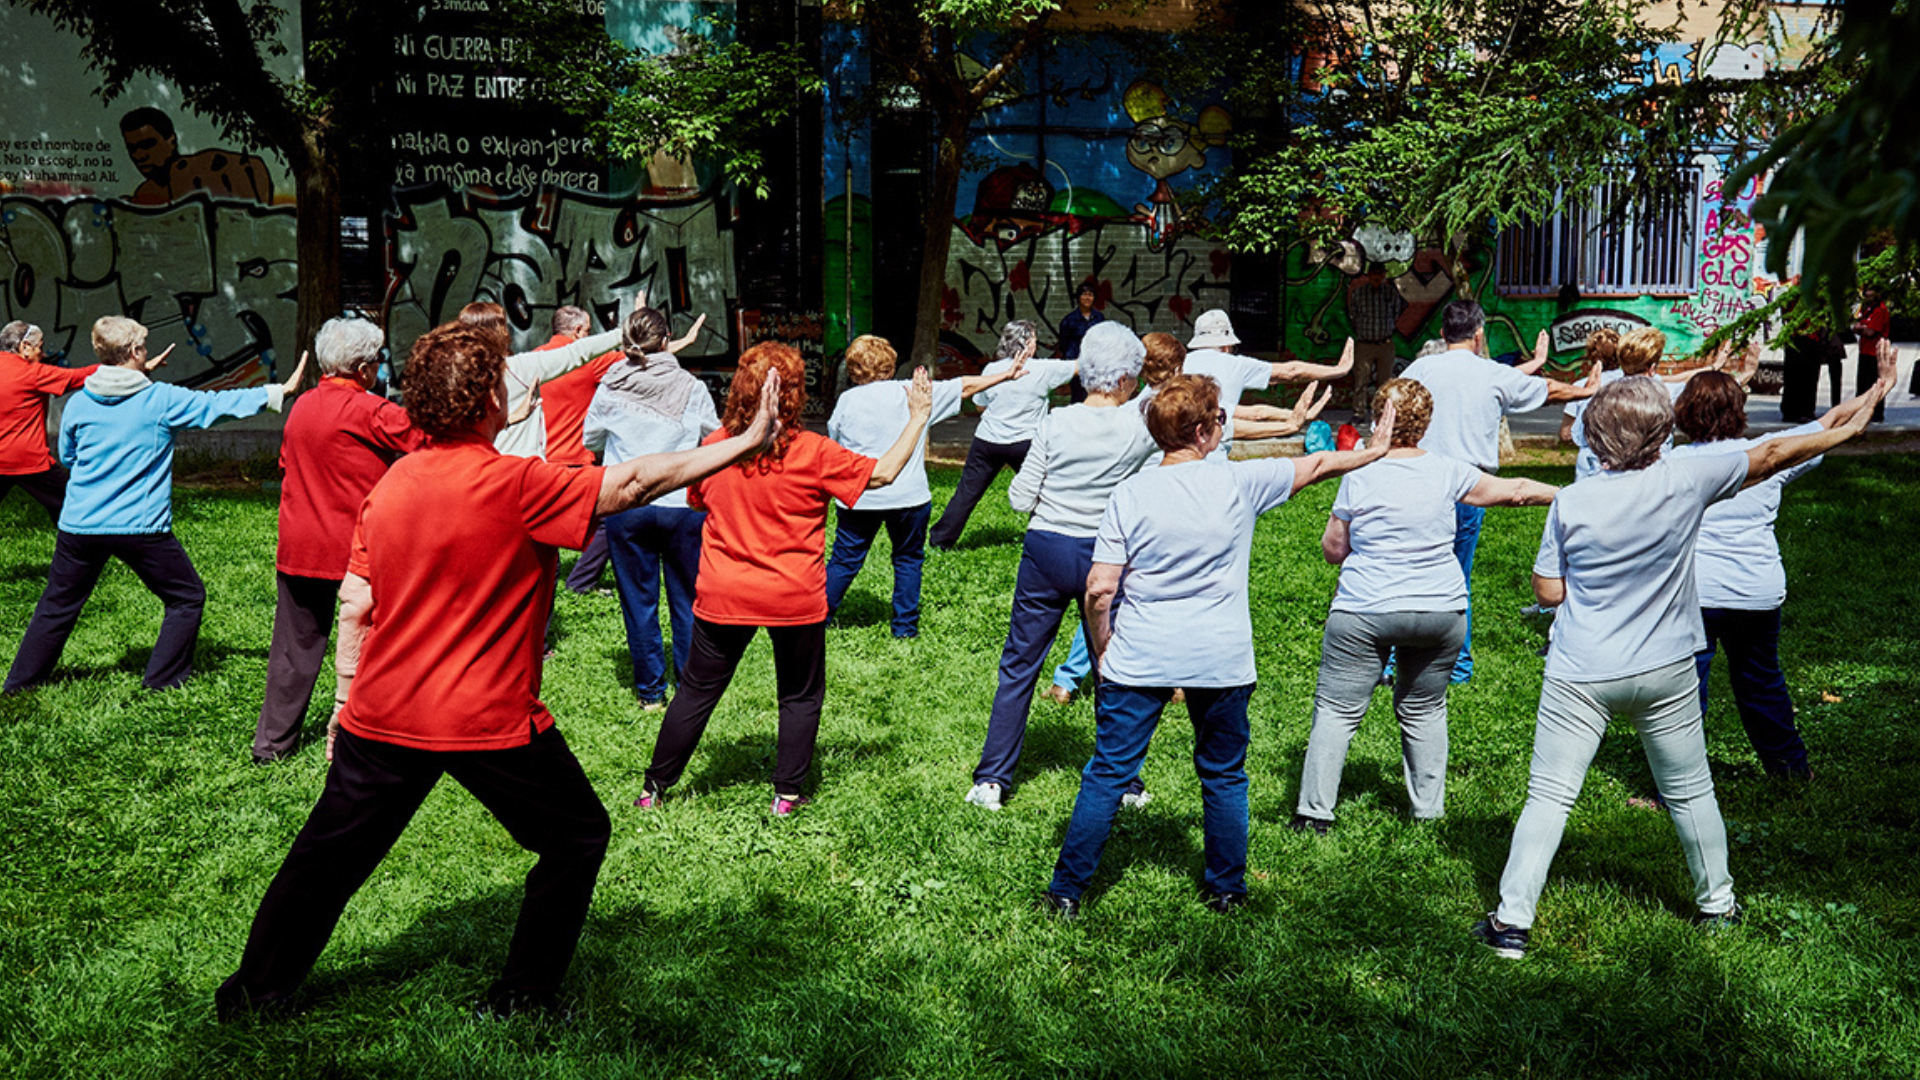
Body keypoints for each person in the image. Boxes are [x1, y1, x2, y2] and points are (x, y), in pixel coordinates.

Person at [217, 323, 782, 1022]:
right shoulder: (519, 484)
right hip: (485, 721)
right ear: (491, 401)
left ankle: (253, 995)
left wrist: (342, 701)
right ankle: (520, 1000)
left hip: (382, 713)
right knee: (577, 838)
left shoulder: (392, 484)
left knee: (324, 860)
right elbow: (634, 481)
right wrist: (748, 442)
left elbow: (356, 601)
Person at [1471, 372, 1891, 960]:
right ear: (1660, 433)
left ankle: (1511, 925)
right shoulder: (1688, 478)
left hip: (1582, 669)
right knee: (1693, 793)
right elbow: (1772, 452)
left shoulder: (1572, 500)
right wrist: (1846, 428)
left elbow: (1547, 591)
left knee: (1549, 796)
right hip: (1667, 665)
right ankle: (1717, 905)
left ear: (1594, 436)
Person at [1042, 375, 1392, 916]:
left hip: (1140, 655)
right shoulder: (1241, 482)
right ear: (1205, 431)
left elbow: (1099, 587)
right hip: (1222, 657)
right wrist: (1377, 449)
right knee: (1224, 772)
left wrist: (1102, 648)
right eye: (1222, 419)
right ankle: (1227, 889)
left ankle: (1066, 893)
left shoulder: (1130, 493)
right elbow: (1320, 464)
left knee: (1109, 772)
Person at [636, 344, 935, 815]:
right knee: (799, 694)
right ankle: (787, 795)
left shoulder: (715, 448)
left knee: (696, 690)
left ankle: (653, 788)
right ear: (795, 395)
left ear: (739, 391)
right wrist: (918, 417)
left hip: (723, 594)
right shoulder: (813, 452)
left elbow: (698, 501)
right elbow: (883, 474)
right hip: (793, 596)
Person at [1291, 379, 1558, 832]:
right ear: (1426, 423)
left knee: (1337, 710)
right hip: (1441, 610)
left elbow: (1334, 550)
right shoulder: (1449, 470)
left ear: (1379, 418)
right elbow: (1514, 490)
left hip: (1365, 609)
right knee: (1424, 708)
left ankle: (1315, 814)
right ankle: (1428, 813)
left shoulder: (1359, 473)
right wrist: (1569, 495)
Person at [5, 317, 306, 693]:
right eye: (143, 346)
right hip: (140, 529)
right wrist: (279, 392)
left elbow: (68, 455)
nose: (146, 351)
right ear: (134, 353)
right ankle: (163, 680)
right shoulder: (161, 400)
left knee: (56, 604)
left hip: (79, 527)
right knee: (186, 597)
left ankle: (19, 683)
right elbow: (218, 405)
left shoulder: (78, 404)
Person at [1044, 330, 1330, 704]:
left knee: (1118, 594)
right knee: (1171, 590)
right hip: (1179, 508)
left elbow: (1232, 421)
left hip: (1139, 511)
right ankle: (1174, 678)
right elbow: (1228, 424)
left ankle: (1068, 680)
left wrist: (1286, 424)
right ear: (1178, 367)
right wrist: (1288, 425)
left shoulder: (1138, 408)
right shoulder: (1173, 409)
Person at [1668, 349, 1892, 781]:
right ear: (1739, 411)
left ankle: (1679, 785)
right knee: (1762, 684)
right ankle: (1791, 772)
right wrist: (1880, 386)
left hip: (1694, 595)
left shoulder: (1671, 464)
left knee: (1684, 693)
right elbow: (1830, 423)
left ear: (1685, 413)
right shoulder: (1769, 454)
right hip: (1757, 592)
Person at [967, 323, 1161, 811]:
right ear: (1121, 380)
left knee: (1018, 665)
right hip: (1108, 555)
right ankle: (1126, 782)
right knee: (1113, 666)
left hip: (1046, 547)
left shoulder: (1055, 421)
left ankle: (991, 780)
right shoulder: (1140, 427)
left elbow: (1017, 498)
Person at [1400, 299, 1599, 682]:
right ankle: (1457, 664)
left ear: (1443, 334)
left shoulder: (1421, 367)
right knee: (1458, 575)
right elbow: (1548, 390)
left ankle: (1395, 661)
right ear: (1479, 335)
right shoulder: (1490, 373)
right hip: (1472, 488)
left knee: (1408, 568)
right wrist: (1586, 389)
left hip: (1421, 483)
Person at [254, 317, 423, 764]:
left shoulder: (303, 406)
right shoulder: (374, 411)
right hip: (359, 550)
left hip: (300, 545)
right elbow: (429, 442)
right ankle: (371, 736)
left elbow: (288, 465)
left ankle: (272, 744)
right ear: (366, 368)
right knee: (376, 646)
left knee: (293, 648)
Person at [826, 334, 1025, 637]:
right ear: (890, 366)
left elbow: (835, 444)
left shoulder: (846, 401)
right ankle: (905, 628)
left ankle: (818, 616)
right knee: (908, 560)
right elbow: (965, 386)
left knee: (844, 559)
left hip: (861, 495)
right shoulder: (915, 391)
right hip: (909, 497)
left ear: (853, 370)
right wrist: (1006, 374)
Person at [583, 306, 720, 710]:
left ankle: (650, 694)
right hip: (682, 505)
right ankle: (690, 689)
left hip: (627, 503)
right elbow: (713, 437)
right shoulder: (690, 386)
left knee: (638, 601)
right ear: (666, 340)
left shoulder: (611, 383)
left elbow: (590, 439)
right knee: (686, 598)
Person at [544, 305, 708, 595]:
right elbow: (643, 360)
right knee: (683, 599)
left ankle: (553, 580)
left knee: (549, 523)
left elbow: (639, 352)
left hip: (546, 457)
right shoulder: (589, 362)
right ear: (580, 333)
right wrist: (680, 342)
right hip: (579, 460)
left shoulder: (536, 360)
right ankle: (580, 581)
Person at [928, 321, 1075, 550]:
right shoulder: (1044, 369)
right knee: (1044, 491)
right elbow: (1079, 366)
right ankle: (1046, 539)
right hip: (1026, 444)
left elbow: (979, 406)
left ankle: (939, 541)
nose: (1036, 343)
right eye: (1034, 339)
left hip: (987, 441)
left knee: (966, 493)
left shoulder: (991, 370)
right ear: (1027, 343)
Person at [455, 301, 623, 459]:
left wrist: (511, 419)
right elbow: (577, 353)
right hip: (524, 467)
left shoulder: (457, 375)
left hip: (482, 463)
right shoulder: (519, 368)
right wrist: (628, 331)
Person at [0, 321, 96, 524]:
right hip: (29, 461)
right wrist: (128, 368)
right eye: (40, 347)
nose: (42, 354)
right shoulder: (31, 373)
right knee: (74, 509)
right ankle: (78, 551)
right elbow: (79, 377)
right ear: (25, 346)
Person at [1345, 263, 1406, 423]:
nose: (1378, 277)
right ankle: (1359, 413)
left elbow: (1396, 313)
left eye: (1381, 273)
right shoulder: (1359, 293)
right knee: (1361, 380)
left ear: (1384, 275)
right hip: (1364, 344)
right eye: (1375, 273)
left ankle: (1381, 413)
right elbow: (1353, 315)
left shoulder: (1390, 293)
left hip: (1385, 344)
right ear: (1369, 275)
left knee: (1385, 382)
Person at [1851, 287, 1891, 423]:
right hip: (1865, 351)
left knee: (1873, 384)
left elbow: (1870, 332)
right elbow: (1857, 326)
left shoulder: (1880, 310)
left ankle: (1876, 414)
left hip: (1875, 353)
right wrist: (1861, 328)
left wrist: (1861, 329)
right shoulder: (1868, 309)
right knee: (1863, 385)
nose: (1867, 294)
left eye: (1871, 291)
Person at [1057, 282, 1104, 362]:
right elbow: (1063, 345)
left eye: (1090, 295)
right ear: (1078, 297)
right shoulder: (1069, 320)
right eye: (1084, 294)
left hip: (1094, 362)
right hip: (1074, 362)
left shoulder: (1099, 318)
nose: (1087, 298)